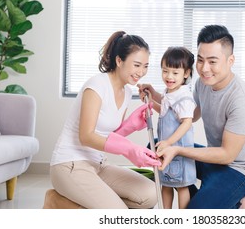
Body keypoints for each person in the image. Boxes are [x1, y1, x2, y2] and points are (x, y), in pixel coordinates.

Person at [139, 25, 245, 209]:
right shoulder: (203, 83)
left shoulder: (241, 99)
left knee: (194, 213)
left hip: (238, 170)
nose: (204, 69)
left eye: (213, 62)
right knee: (155, 146)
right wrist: (154, 95)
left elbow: (227, 155)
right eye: (200, 60)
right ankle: (217, 196)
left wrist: (177, 150)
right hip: (214, 161)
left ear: (230, 61)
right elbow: (190, 115)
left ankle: (231, 198)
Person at [49, 31, 161, 209]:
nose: (141, 72)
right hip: (70, 164)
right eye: (137, 65)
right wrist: (129, 149)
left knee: (151, 194)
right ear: (119, 61)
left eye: (145, 66)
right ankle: (58, 201)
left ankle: (74, 201)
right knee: (117, 214)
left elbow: (109, 136)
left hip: (99, 165)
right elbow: (86, 136)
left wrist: (130, 125)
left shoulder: (126, 92)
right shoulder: (97, 85)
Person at [143, 47, 197, 209]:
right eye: (165, 71)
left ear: (186, 73)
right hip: (166, 150)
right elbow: (165, 110)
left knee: (181, 187)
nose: (169, 76)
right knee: (165, 184)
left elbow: (187, 122)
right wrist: (151, 98)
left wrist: (168, 142)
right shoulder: (169, 92)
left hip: (178, 151)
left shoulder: (184, 96)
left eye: (175, 73)